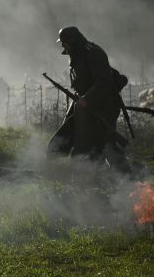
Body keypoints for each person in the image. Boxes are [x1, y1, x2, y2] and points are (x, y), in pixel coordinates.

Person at [47, 26, 130, 171]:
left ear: (72, 41)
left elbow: (104, 81)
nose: (62, 45)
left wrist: (87, 98)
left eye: (64, 42)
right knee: (86, 143)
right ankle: (90, 177)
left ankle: (126, 178)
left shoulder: (93, 53)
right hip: (87, 106)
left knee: (105, 143)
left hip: (103, 106)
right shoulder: (78, 53)